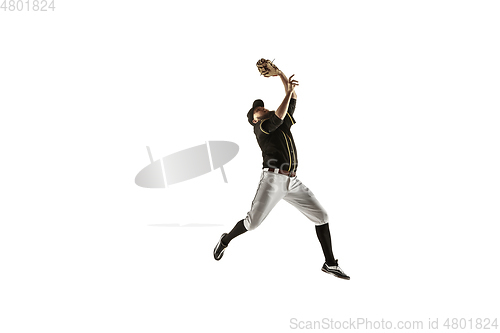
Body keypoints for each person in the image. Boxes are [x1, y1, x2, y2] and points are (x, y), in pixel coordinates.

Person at [213, 67, 350, 280]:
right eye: (257, 109)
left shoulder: (281, 124)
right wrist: (286, 91)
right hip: (272, 180)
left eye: (262, 106)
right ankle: (225, 240)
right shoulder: (262, 128)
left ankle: (330, 263)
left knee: (322, 216)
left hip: (293, 181)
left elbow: (292, 100)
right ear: (254, 120)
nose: (261, 108)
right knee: (253, 224)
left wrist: (281, 75)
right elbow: (279, 112)